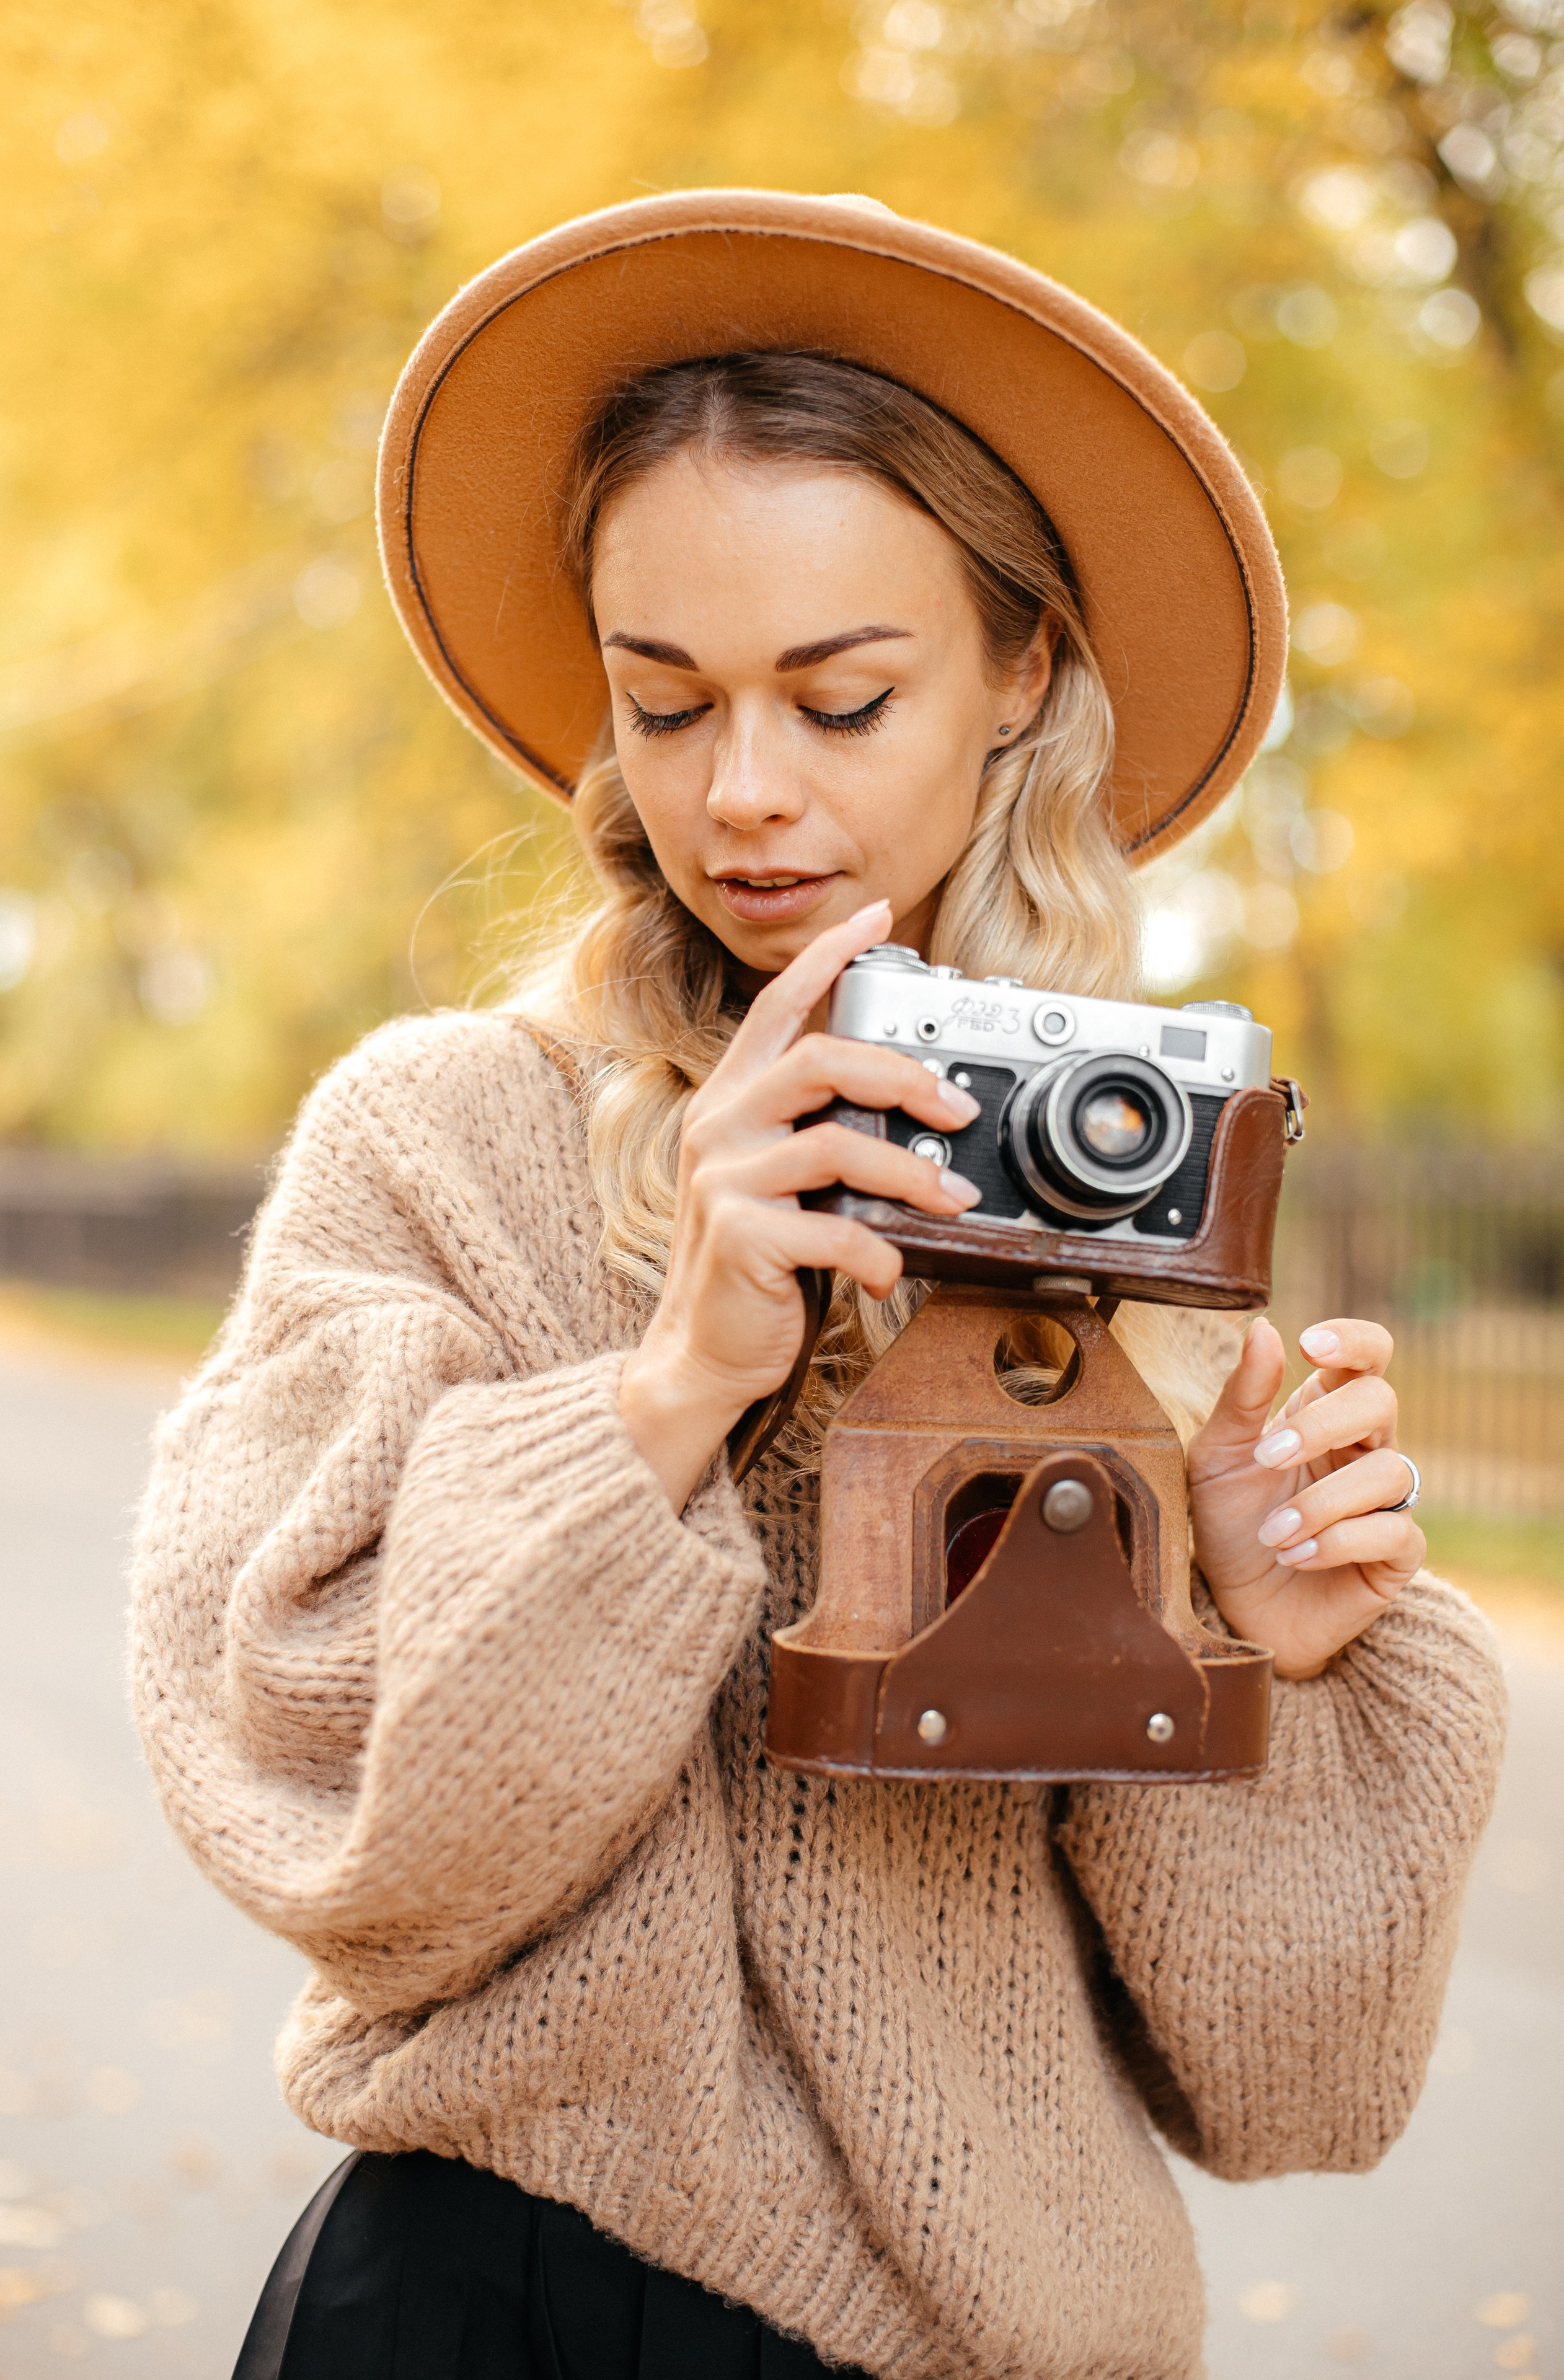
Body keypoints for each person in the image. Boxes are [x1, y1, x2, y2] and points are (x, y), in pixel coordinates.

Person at [130, 194, 1504, 2380]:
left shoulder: (1142, 1218)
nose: (745, 795)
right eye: (664, 705)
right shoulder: (443, 1144)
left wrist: (1261, 1653)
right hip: (515, 2307)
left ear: (1023, 673)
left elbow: (1299, 2096)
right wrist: (671, 1387)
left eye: (843, 699)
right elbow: (333, 1830)